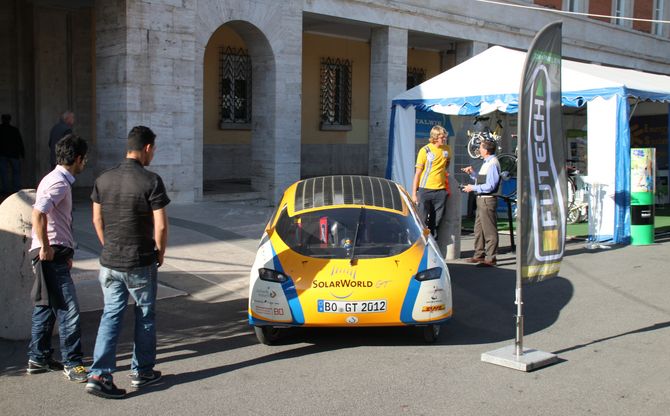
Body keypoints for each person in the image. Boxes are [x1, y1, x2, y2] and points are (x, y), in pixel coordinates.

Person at [86, 126, 170, 399]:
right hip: (140, 260)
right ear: (147, 148)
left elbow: (97, 220)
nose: (153, 155)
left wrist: (107, 245)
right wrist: (160, 252)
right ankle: (142, 370)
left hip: (110, 260)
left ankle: (99, 375)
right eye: (153, 150)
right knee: (145, 315)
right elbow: (161, 226)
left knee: (111, 314)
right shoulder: (151, 181)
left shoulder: (103, 179)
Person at [27, 134, 88, 382]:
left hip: (54, 253)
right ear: (78, 158)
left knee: (46, 308)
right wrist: (47, 248)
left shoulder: (55, 179)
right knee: (68, 309)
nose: (85, 164)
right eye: (84, 159)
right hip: (49, 253)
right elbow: (38, 213)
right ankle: (73, 363)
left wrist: (64, 251)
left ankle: (38, 358)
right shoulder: (59, 183)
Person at [462, 140, 501, 267]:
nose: (479, 149)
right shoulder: (487, 162)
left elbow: (490, 185)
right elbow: (483, 180)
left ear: (486, 150)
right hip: (482, 199)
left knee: (489, 230)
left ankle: (491, 258)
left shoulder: (493, 163)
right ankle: (479, 255)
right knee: (479, 229)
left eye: (480, 147)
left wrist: (472, 188)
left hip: (487, 199)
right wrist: (473, 174)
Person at [411, 125, 452, 237]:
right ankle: (421, 241)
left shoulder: (447, 149)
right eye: (442, 137)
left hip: (440, 191)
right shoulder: (425, 150)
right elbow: (418, 173)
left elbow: (446, 164)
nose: (444, 139)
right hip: (425, 190)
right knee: (422, 219)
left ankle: (433, 242)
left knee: (437, 220)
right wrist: (414, 194)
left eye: (445, 137)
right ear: (434, 137)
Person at [0, 114, 25, 196]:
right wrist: (22, 154)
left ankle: (6, 190)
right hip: (14, 154)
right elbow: (19, 142)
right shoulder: (14, 130)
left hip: (2, 154)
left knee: (4, 173)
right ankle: (16, 189)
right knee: (16, 172)